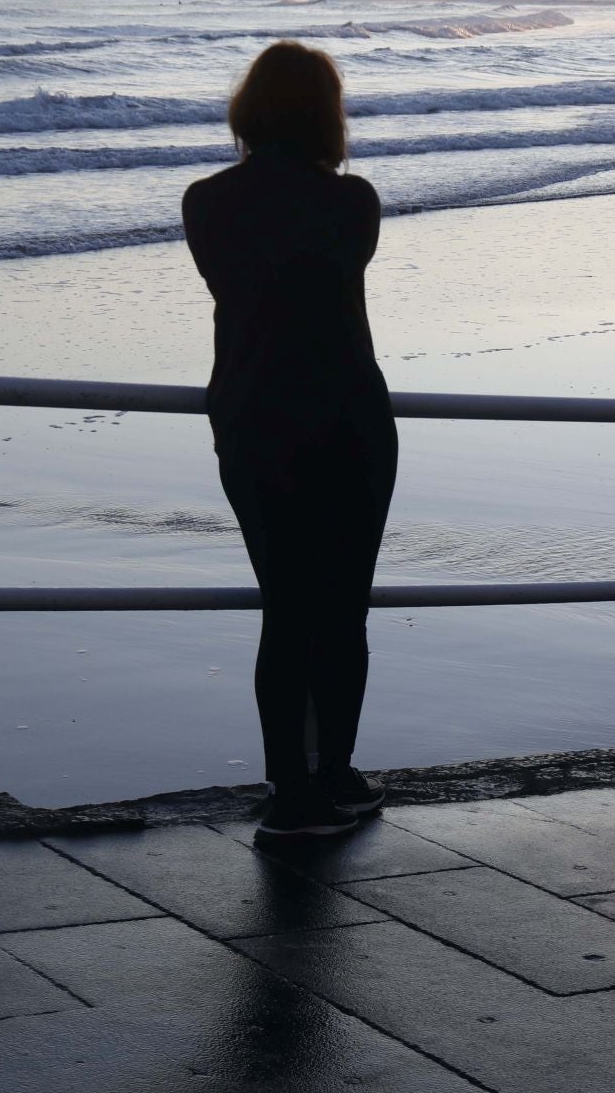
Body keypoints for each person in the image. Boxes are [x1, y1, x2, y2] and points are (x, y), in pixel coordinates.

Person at [182, 41, 397, 840]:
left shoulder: (204, 201)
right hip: (347, 418)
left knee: (286, 608)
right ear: (325, 115)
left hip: (251, 419)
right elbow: (330, 272)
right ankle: (335, 771)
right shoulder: (353, 202)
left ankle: (290, 789)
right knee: (343, 611)